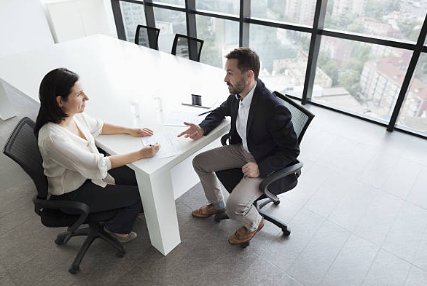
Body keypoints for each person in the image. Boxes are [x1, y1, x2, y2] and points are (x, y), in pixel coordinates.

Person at [178, 48, 300, 245]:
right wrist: (202, 127)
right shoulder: (238, 94)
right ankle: (217, 204)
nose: (225, 79)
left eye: (230, 73)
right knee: (200, 162)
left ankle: (255, 222)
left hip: (264, 160)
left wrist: (260, 167)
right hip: (243, 149)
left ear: (249, 74)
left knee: (234, 207)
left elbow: (291, 151)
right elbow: (219, 111)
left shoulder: (274, 109)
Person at [34, 68, 160, 243]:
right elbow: (97, 165)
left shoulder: (72, 115)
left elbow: (98, 126)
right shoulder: (53, 137)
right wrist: (140, 153)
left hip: (87, 175)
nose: (86, 97)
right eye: (79, 94)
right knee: (142, 194)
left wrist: (130, 130)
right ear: (60, 101)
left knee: (137, 176)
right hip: (74, 192)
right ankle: (116, 229)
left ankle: (123, 209)